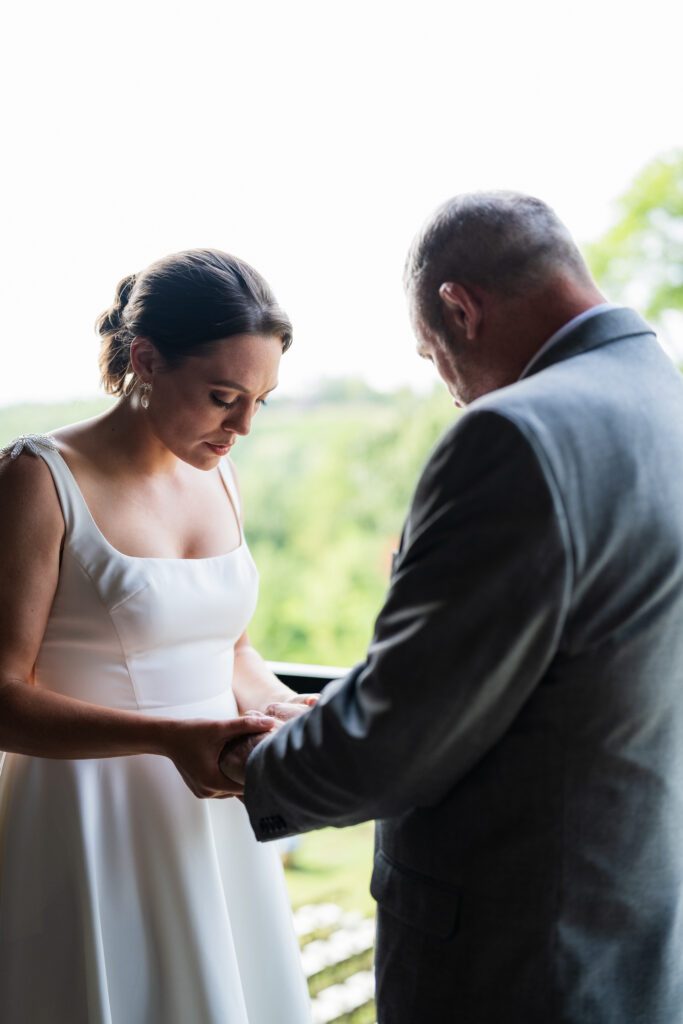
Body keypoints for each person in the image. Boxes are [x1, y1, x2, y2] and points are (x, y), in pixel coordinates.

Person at [221, 193, 683, 1023]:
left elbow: (397, 736)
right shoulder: (664, 401)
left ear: (458, 310)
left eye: (434, 358)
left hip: (510, 957)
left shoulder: (513, 436)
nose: (453, 393)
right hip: (631, 933)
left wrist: (245, 764)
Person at [0, 249, 314, 1024]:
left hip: (212, 817)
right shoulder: (38, 481)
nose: (240, 426)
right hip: (83, 819)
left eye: (258, 403)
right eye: (221, 396)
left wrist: (284, 711)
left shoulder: (218, 473)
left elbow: (232, 651)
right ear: (145, 359)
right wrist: (171, 739)